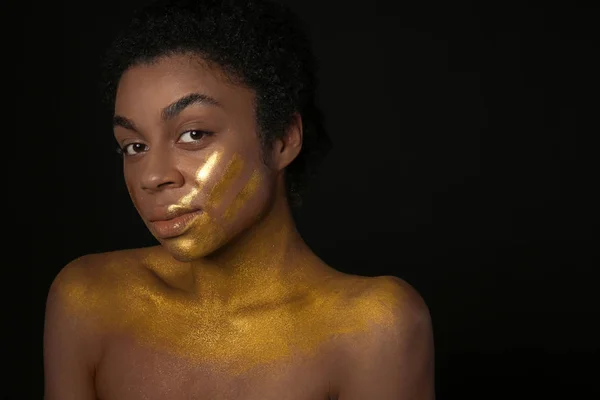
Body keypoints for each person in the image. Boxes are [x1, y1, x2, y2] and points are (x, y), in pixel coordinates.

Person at [43, 0, 435, 398]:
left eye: (193, 134)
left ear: (282, 139)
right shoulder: (90, 301)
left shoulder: (370, 330)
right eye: (134, 146)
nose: (153, 176)